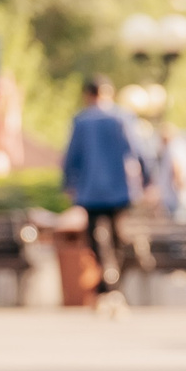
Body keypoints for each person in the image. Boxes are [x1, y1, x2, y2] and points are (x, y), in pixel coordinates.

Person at [61, 76, 143, 305]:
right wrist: (147, 179)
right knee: (118, 236)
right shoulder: (123, 118)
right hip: (119, 189)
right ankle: (112, 280)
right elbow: (137, 150)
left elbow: (71, 156)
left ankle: (107, 280)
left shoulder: (82, 121)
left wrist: (68, 183)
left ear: (88, 95)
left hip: (91, 190)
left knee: (96, 238)